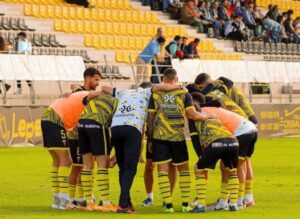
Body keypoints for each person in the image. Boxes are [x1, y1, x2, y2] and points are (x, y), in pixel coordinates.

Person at [101, 81, 185, 213]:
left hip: (116, 128)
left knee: (123, 168)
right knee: (130, 169)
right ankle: (123, 205)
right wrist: (179, 86)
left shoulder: (125, 92)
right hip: (132, 128)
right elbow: (160, 86)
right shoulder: (147, 93)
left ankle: (126, 202)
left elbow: (104, 88)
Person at [146, 68, 209, 213]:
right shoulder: (184, 94)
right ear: (177, 78)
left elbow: (150, 119)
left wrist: (149, 140)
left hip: (159, 137)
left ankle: (168, 206)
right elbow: (192, 114)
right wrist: (207, 116)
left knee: (162, 170)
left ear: (163, 78)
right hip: (178, 138)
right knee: (183, 170)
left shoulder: (155, 94)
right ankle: (185, 204)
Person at [190, 92, 258, 210]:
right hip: (243, 133)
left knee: (233, 167)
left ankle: (236, 201)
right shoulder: (213, 108)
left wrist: (202, 158)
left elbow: (198, 141)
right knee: (231, 167)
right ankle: (236, 202)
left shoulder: (198, 114)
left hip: (238, 133)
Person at [41, 90, 99, 210]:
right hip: (56, 119)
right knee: (66, 161)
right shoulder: (92, 97)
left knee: (57, 161)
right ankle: (64, 201)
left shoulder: (82, 93)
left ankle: (57, 199)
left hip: (48, 116)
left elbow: (76, 88)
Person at [188, 103, 240, 212]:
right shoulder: (212, 117)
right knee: (231, 171)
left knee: (199, 169)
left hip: (217, 143)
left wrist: (201, 158)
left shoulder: (193, 120)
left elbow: (195, 142)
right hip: (233, 142)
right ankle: (233, 204)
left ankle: (201, 205)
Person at [78, 90, 118, 212]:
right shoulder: (118, 102)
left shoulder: (97, 98)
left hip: (81, 124)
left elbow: (85, 98)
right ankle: (105, 202)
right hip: (98, 123)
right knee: (102, 165)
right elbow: (115, 128)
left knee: (87, 165)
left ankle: (89, 201)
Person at [66, 67, 101, 208]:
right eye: (96, 79)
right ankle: (69, 198)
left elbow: (73, 85)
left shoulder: (87, 93)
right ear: (87, 78)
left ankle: (82, 197)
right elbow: (74, 86)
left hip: (87, 134)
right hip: (76, 135)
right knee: (77, 167)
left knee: (87, 166)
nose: (98, 82)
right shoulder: (80, 92)